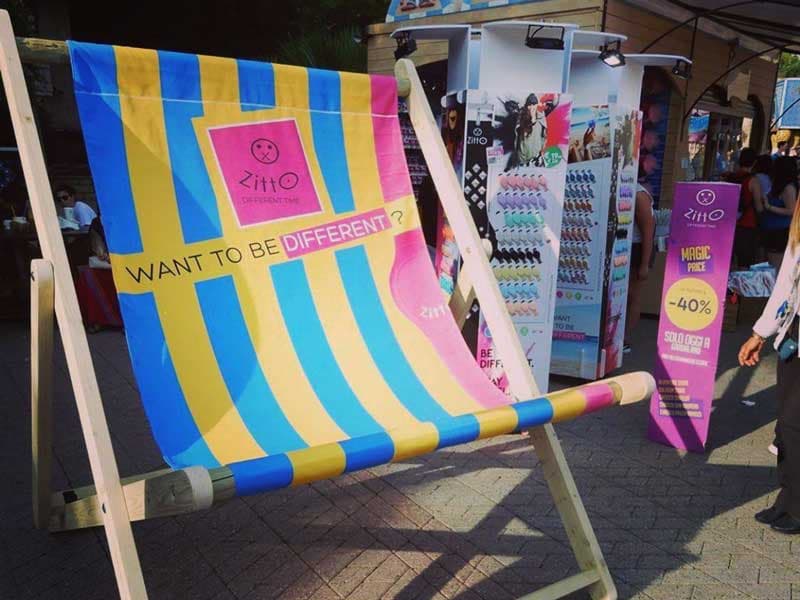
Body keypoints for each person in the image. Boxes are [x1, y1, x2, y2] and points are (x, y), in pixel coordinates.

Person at [738, 194, 800, 534]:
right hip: (793, 334)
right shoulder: (797, 235)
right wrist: (759, 335)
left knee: (793, 424)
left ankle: (796, 505)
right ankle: (787, 499)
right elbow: (784, 289)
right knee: (787, 426)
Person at [624, 170, 656, 353]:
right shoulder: (627, 190)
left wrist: (644, 264)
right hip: (626, 248)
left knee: (632, 295)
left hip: (638, 249)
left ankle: (624, 339)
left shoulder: (639, 195)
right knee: (623, 295)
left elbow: (648, 233)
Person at [727, 148, 764, 268]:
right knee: (744, 262)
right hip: (747, 225)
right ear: (754, 163)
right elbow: (759, 207)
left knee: (727, 260)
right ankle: (739, 286)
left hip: (729, 224)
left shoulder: (730, 177)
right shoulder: (753, 181)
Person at [762, 156, 798, 269]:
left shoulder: (788, 188)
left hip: (780, 232)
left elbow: (791, 210)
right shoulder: (778, 185)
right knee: (769, 265)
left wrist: (769, 207)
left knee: (774, 266)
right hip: (772, 230)